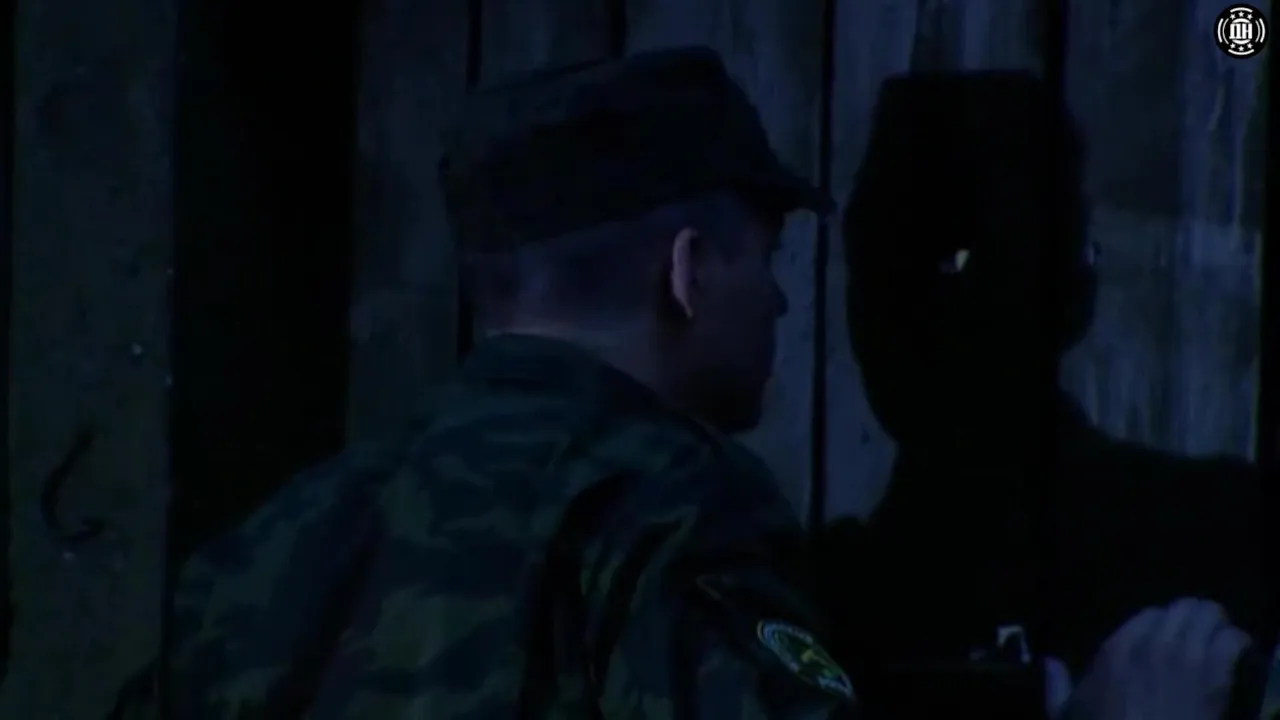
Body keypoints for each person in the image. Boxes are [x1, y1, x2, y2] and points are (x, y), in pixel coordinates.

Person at [108, 50, 1255, 719]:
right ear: (687, 271)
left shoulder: (280, 541)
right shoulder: (662, 516)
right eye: (768, 257)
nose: (785, 303)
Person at [818, 70, 1277, 716]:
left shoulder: (1224, 535)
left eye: (963, 263)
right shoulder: (811, 600)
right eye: (883, 265)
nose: (911, 311)